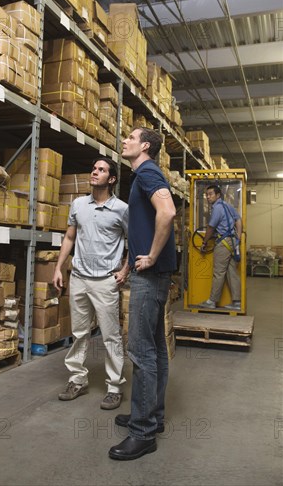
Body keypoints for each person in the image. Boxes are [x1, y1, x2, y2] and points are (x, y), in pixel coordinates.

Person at [109, 127, 176, 461]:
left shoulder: (148, 172)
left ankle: (143, 432)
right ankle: (152, 416)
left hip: (150, 276)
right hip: (150, 274)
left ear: (145, 145)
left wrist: (148, 257)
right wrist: (128, 266)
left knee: (141, 351)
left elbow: (167, 212)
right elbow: (145, 225)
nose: (124, 141)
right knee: (157, 351)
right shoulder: (141, 175)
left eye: (130, 138)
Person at [53, 157, 129, 410]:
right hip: (79, 278)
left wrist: (125, 269)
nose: (94, 172)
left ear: (112, 179)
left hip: (106, 281)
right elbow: (69, 237)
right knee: (79, 333)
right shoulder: (78, 204)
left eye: (101, 170)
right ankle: (77, 379)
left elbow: (135, 241)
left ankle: (115, 386)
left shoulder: (122, 209)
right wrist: (59, 267)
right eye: (94, 168)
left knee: (111, 336)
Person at [199, 184, 242, 311]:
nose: (208, 196)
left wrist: (204, 242)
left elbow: (211, 227)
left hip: (223, 243)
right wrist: (238, 238)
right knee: (231, 272)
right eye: (207, 194)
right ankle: (237, 302)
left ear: (218, 195)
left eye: (211, 194)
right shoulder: (228, 205)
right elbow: (238, 220)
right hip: (232, 242)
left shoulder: (217, 208)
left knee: (218, 273)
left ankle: (212, 301)